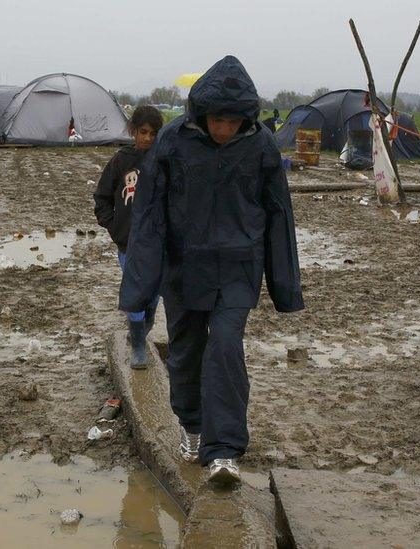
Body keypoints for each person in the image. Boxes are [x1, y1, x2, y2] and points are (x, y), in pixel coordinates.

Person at [119, 55, 304, 486]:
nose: (224, 130)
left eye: (233, 121)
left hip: (239, 267)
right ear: (202, 115)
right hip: (183, 268)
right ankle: (193, 425)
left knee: (225, 347)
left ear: (246, 118)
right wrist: (141, 284)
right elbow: (149, 215)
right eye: (218, 120)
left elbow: (279, 214)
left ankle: (223, 451)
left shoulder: (261, 146)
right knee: (185, 352)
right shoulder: (171, 142)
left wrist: (284, 285)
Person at [94, 105, 164, 368]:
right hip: (129, 243)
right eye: (143, 132)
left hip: (158, 244)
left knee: (153, 294)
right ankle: (137, 346)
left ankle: (144, 328)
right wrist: (114, 226)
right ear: (133, 131)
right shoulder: (121, 161)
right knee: (136, 290)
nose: (147, 138)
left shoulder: (164, 161)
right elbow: (102, 197)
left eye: (153, 133)